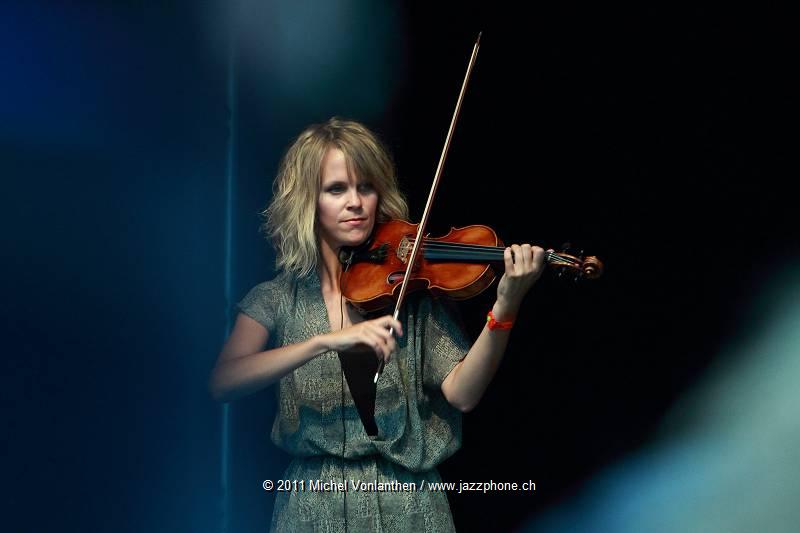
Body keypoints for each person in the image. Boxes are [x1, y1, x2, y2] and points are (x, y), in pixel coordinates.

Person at [208, 117, 547, 532]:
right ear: (307, 200)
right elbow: (224, 381)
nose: (355, 202)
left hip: (411, 506)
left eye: (365, 187)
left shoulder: (412, 293)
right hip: (313, 507)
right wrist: (325, 341)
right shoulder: (277, 298)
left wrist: (506, 306)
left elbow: (463, 393)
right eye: (336, 189)